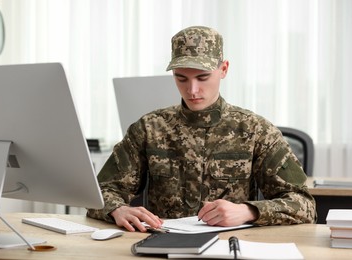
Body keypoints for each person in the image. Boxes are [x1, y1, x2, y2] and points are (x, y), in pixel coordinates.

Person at [87, 26, 316, 232]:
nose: (192, 90)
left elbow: (304, 205)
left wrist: (249, 211)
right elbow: (100, 192)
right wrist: (117, 209)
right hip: (162, 245)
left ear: (223, 69)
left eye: (202, 77)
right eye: (181, 78)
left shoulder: (256, 130)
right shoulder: (149, 128)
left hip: (230, 246)